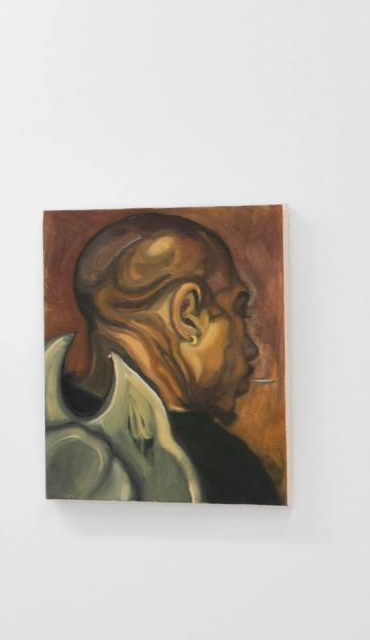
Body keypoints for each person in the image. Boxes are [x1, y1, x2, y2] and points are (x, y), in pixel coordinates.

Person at [45, 213, 281, 505]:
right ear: (188, 314)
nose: (251, 349)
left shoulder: (39, 423)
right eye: (238, 311)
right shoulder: (227, 470)